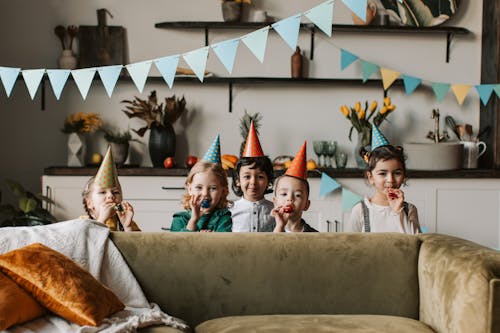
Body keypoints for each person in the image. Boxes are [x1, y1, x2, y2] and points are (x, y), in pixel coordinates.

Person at [349, 125, 421, 234]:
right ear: (371, 177)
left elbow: (415, 244)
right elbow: (350, 247)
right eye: (383, 173)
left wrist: (398, 212)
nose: (390, 180)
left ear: (404, 175)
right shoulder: (360, 211)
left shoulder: (409, 210)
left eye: (397, 173)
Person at [171, 134, 232, 232]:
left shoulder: (224, 219)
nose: (205, 194)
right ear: (190, 189)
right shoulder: (180, 219)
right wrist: (193, 220)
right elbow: (177, 246)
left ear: (223, 191)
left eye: (213, 188)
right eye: (199, 187)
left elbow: (224, 245)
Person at [81, 146, 141, 231]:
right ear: (89, 203)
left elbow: (137, 244)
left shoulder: (128, 222)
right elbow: (88, 242)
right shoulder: (83, 223)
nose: (110, 196)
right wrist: (101, 220)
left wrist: (127, 226)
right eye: (102, 192)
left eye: (116, 192)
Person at [230, 121, 275, 232]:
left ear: (268, 180)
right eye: (247, 176)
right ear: (237, 181)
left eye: (260, 177)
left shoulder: (275, 210)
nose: (253, 182)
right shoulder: (230, 210)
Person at [272, 141, 318, 232]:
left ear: (306, 205)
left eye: (298, 195)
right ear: (275, 201)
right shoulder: (266, 231)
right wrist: (280, 227)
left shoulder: (315, 236)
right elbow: (271, 246)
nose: (290, 198)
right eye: (284, 194)